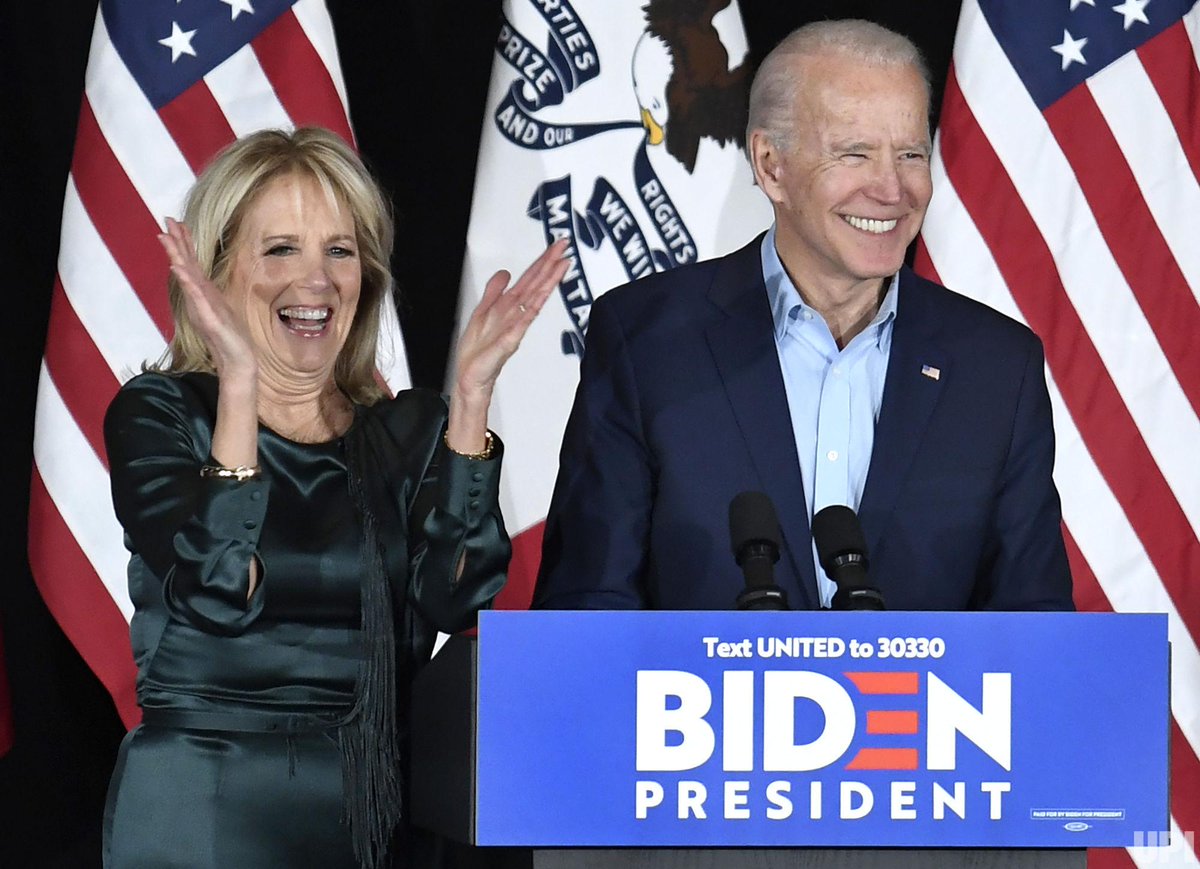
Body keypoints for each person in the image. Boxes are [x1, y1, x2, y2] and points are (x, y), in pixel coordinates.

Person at [102, 126, 568, 868]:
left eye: (340, 250)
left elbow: (456, 599)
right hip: (206, 810)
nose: (316, 281)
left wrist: (472, 396)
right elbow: (218, 589)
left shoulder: (411, 429)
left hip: (379, 815)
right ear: (218, 273)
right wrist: (240, 387)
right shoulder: (162, 414)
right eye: (280, 248)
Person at [533, 20, 1073, 612]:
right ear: (771, 167)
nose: (892, 189)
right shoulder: (648, 341)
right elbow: (585, 612)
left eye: (911, 153)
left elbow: (1037, 635)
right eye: (855, 153)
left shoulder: (997, 366)